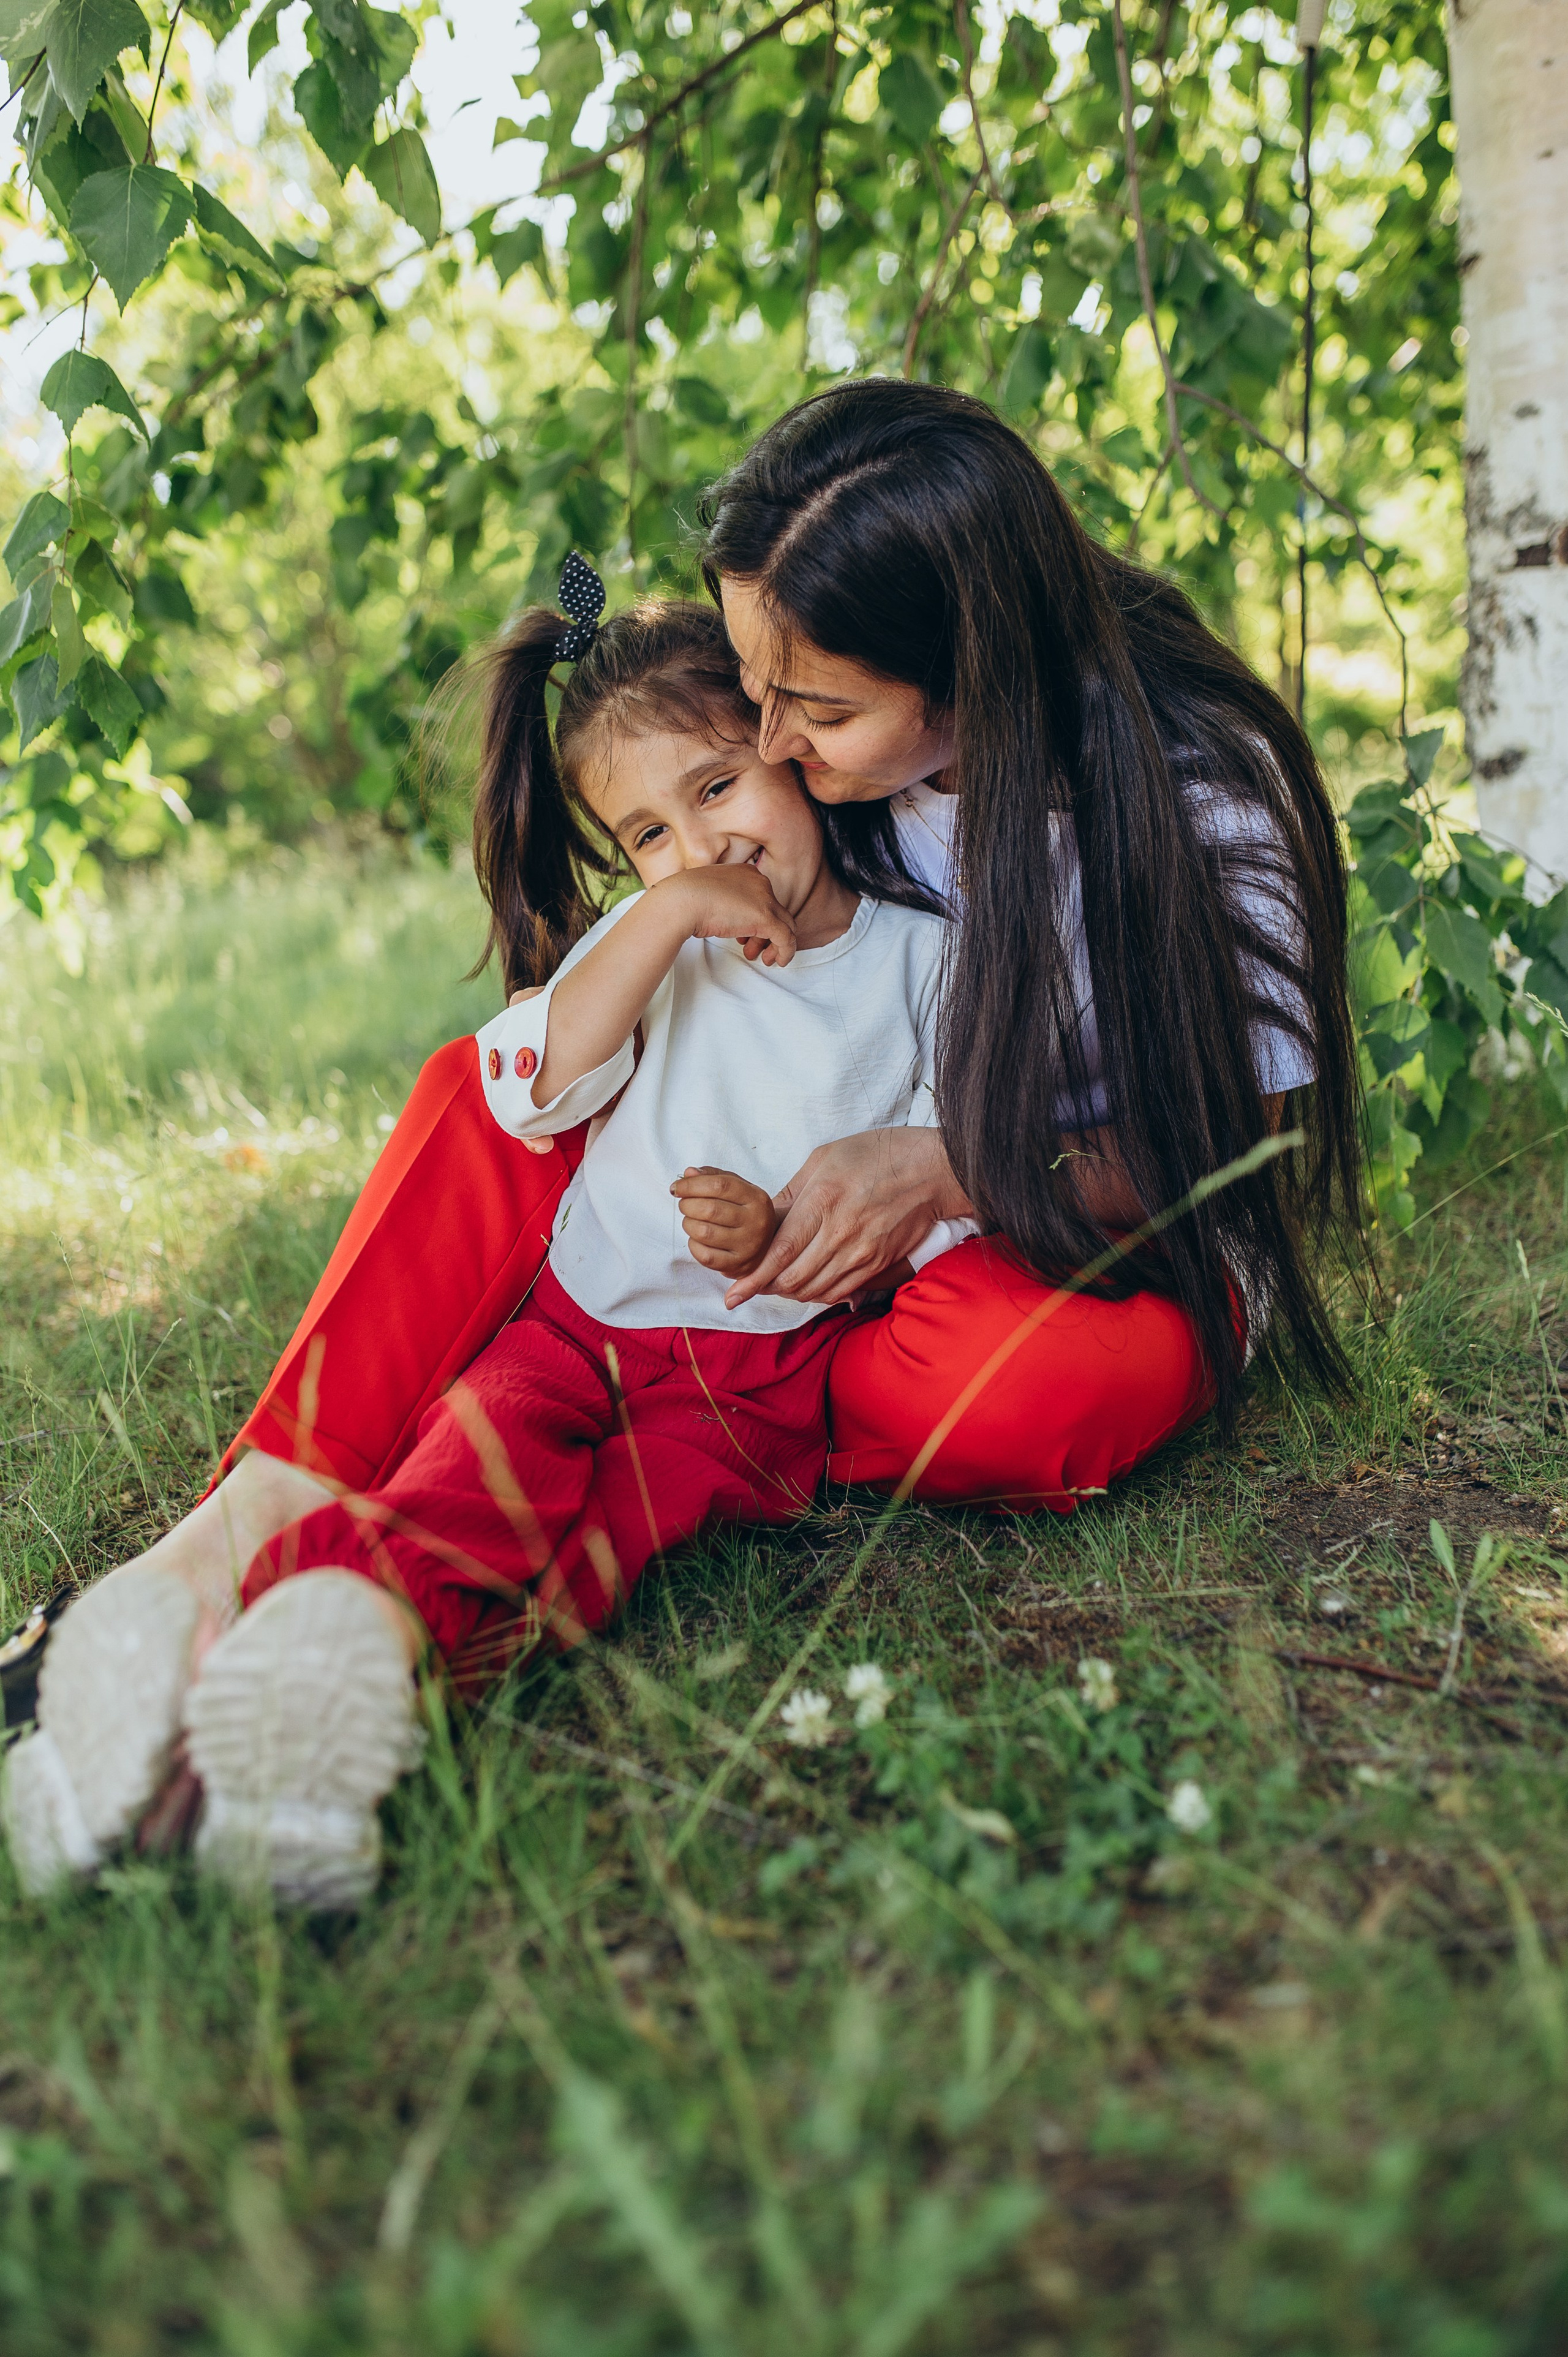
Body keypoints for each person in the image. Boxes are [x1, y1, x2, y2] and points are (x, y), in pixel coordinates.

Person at [5, 378, 1362, 1897]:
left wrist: (949, 1168)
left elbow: (1231, 1143)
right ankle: (234, 1549)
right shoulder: (833, 766)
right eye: (754, 686)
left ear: (962, 667)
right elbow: (686, 908)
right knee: (482, 1096)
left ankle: (675, 1443)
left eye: (812, 707)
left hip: (1087, 1238)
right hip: (776, 1263)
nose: (771, 734)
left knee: (1009, 1389)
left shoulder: (1199, 795)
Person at [3, 588, 960, 1904]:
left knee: (608, 1539)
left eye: (717, 786)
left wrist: (785, 1226)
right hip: (571, 1330)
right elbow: (534, 1077)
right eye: (647, 832)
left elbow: (929, 1187)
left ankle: (290, 1701)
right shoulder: (651, 951)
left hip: (754, 1382)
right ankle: (278, 1667)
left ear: (787, 748)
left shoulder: (919, 962)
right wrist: (671, 917)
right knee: (475, 1460)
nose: (696, 843)